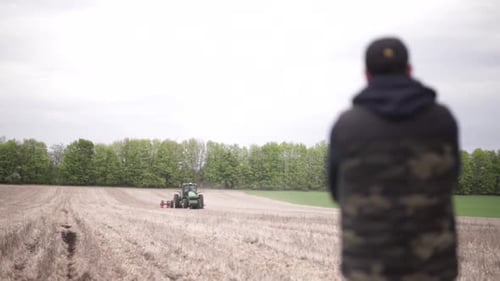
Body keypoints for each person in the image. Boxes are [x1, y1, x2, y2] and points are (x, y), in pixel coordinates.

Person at [327, 37, 460, 281]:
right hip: (433, 268)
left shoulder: (347, 125)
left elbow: (337, 192)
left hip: (367, 269)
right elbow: (450, 179)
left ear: (367, 74)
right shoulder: (442, 120)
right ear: (409, 70)